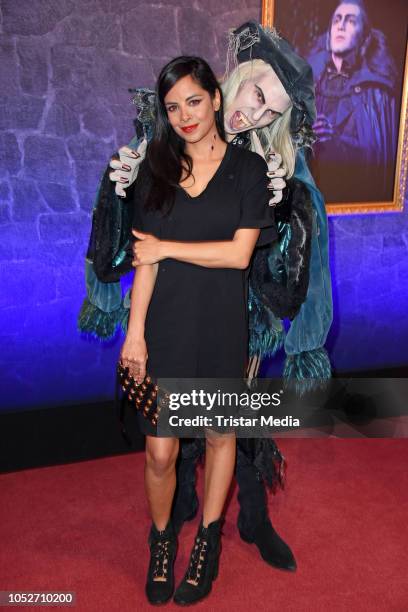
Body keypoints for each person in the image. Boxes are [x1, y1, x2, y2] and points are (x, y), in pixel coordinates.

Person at [79, 20, 332, 575]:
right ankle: (176, 521)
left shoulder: (270, 161)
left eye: (274, 111)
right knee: (168, 443)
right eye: (258, 94)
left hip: (236, 315)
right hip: (171, 310)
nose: (258, 113)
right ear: (233, 80)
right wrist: (120, 185)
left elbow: (292, 245)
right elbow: (137, 231)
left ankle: (249, 521)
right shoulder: (172, 129)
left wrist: (285, 205)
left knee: (230, 427)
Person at [120, 55, 277, 606]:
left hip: (220, 330)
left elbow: (239, 255)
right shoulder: (155, 171)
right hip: (164, 329)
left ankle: (208, 540)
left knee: (218, 437)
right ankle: (162, 539)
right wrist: (134, 334)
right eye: (172, 107)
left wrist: (166, 247)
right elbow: (146, 261)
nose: (184, 115)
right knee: (160, 452)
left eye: (193, 100)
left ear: (215, 97)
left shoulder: (248, 171)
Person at [307, 0, 397, 201]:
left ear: (364, 37)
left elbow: (376, 162)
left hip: (351, 200)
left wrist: (333, 142)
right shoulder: (308, 82)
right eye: (337, 20)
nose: (340, 25)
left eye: (350, 21)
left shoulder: (376, 92)